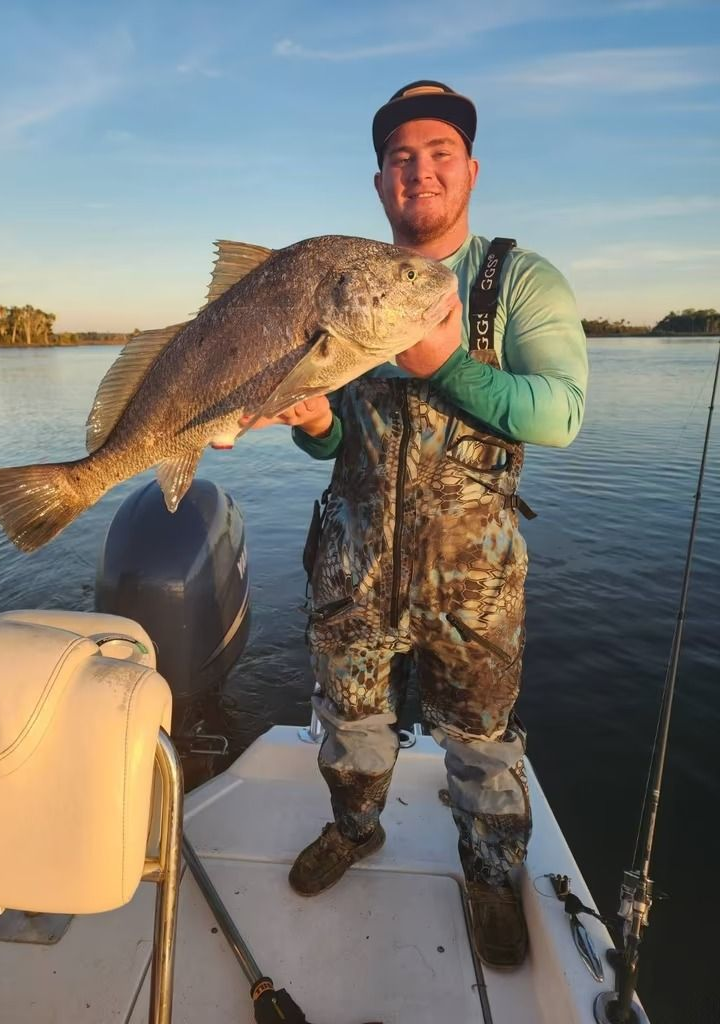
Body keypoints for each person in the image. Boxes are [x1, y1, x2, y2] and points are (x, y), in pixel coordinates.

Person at [246, 81, 588, 969]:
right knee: (350, 724)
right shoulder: (349, 282)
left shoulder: (514, 281)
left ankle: (486, 873)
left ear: (470, 169)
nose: (420, 172)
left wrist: (444, 363)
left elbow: (558, 413)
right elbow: (333, 451)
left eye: (439, 154)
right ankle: (355, 829)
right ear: (380, 182)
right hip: (352, 567)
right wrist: (318, 425)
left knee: (480, 746)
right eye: (402, 158)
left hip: (473, 580)